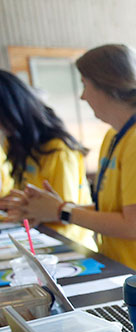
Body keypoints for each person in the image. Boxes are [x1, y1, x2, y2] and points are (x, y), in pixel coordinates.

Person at [7, 44, 136, 300]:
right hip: (133, 280)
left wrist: (62, 211)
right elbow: (116, 211)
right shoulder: (115, 136)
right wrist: (58, 207)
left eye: (85, 84)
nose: (83, 97)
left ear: (109, 87)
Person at [0, 70, 95, 249]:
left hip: (70, 245)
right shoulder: (15, 144)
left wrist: (27, 210)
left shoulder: (58, 150)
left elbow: (65, 213)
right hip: (37, 240)